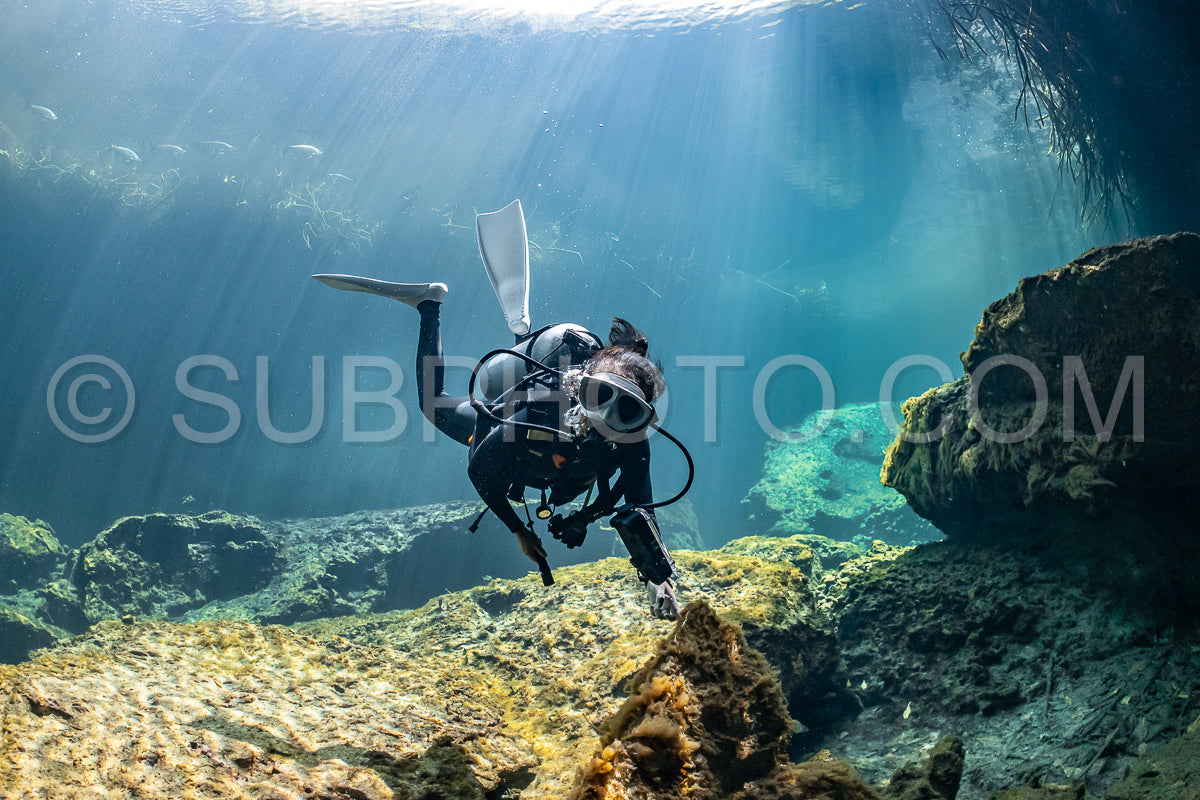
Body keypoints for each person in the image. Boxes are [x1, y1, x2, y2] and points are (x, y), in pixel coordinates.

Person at [312, 274, 682, 620]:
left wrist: (657, 579)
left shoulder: (631, 443)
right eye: (599, 396)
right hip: (509, 433)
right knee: (432, 403)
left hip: (544, 470)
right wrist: (518, 530)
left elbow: (641, 507)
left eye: (628, 411)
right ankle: (429, 304)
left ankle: (498, 324)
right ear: (578, 387)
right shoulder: (539, 408)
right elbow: (479, 471)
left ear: (642, 419)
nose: (605, 417)